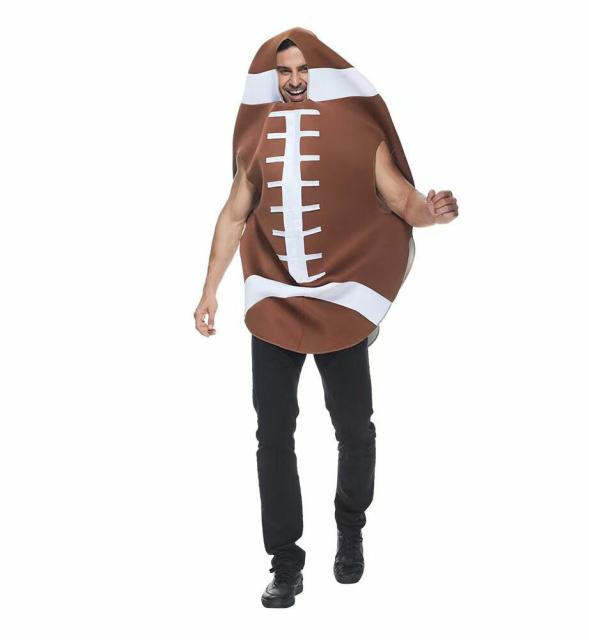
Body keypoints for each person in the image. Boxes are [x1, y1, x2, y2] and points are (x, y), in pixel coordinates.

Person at [194, 28, 458, 608]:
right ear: (273, 77)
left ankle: (350, 528)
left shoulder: (359, 133)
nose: (293, 81)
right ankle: (285, 562)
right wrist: (209, 290)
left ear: (319, 71)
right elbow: (234, 213)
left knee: (354, 427)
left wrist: (432, 212)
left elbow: (402, 201)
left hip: (341, 302)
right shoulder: (257, 137)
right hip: (274, 299)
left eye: (302, 69)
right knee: (272, 434)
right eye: (283, 71)